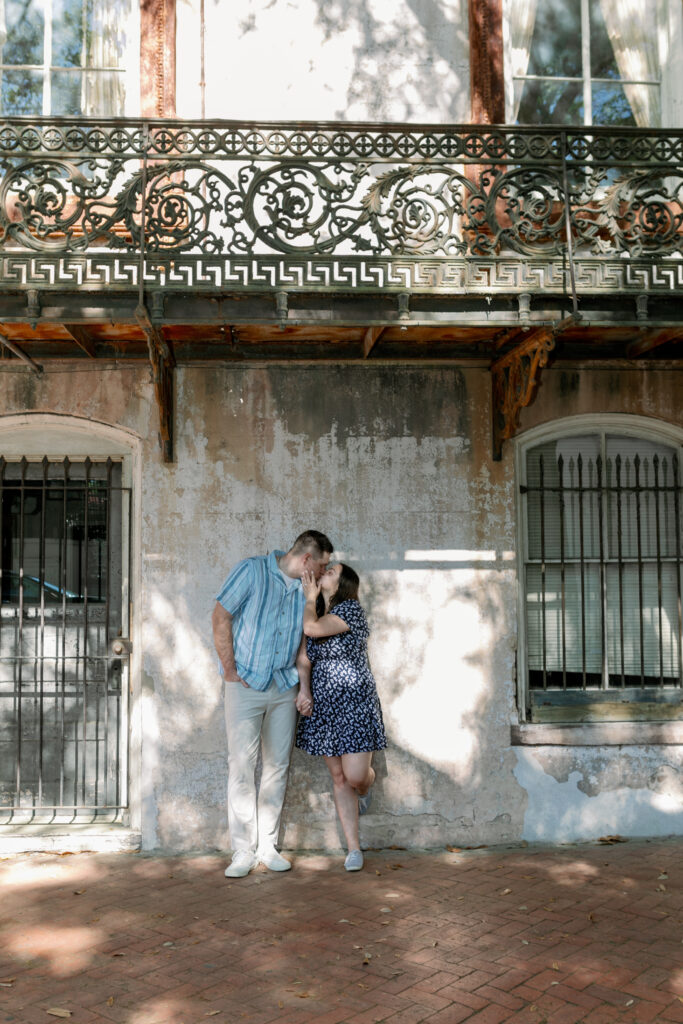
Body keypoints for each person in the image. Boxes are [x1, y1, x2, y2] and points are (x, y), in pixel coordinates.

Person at [212, 530, 334, 878]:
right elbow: (220, 616)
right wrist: (231, 670)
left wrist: (301, 686)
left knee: (277, 766)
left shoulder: (305, 590)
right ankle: (242, 851)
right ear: (307, 559)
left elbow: (303, 640)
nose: (324, 573)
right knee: (241, 766)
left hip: (283, 686)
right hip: (245, 685)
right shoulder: (251, 571)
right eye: (322, 565)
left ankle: (267, 845)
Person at [295, 562, 386, 872]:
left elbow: (312, 630)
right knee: (339, 777)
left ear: (343, 582)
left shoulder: (350, 611)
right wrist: (304, 692)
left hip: (355, 704)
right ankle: (354, 848)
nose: (324, 573)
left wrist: (309, 597)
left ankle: (367, 786)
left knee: (356, 776)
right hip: (324, 706)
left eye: (330, 571)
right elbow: (304, 659)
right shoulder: (317, 612)